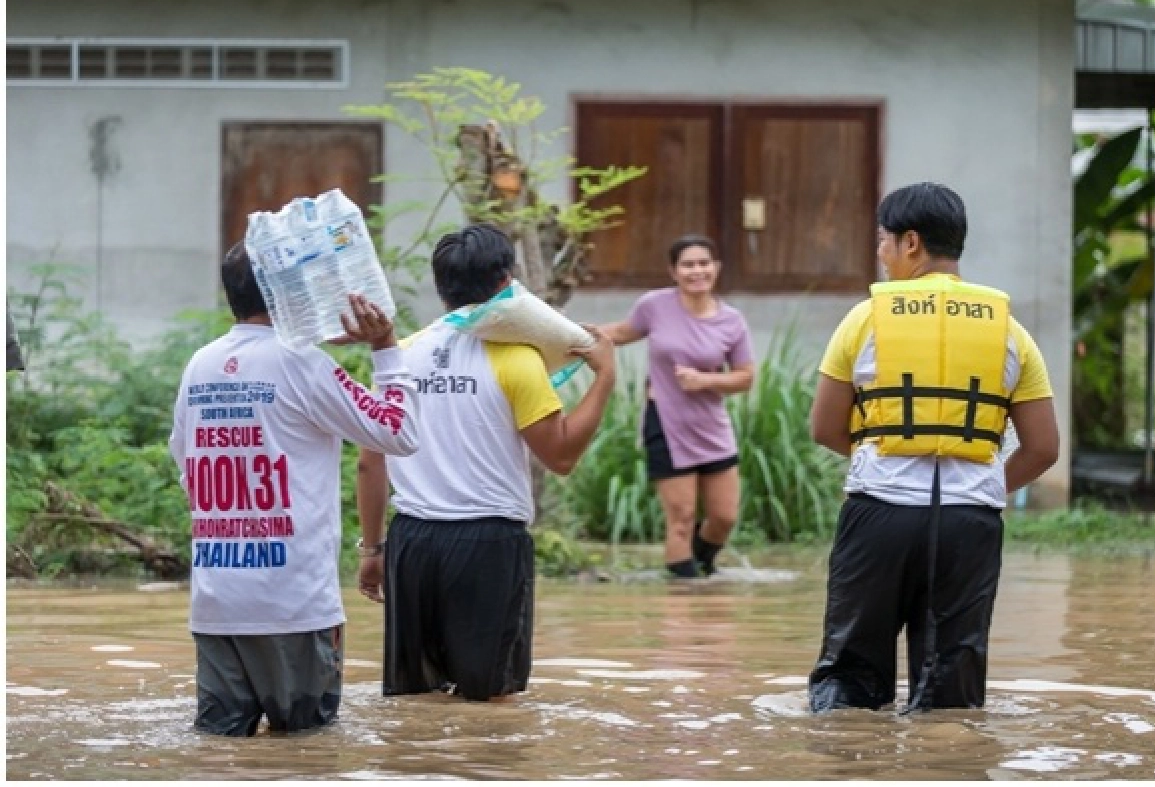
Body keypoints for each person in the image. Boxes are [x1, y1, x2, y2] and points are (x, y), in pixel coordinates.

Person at [806, 182, 1060, 713]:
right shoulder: (1010, 332)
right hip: (969, 524)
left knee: (849, 681)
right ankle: (948, 754)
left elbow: (825, 427)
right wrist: (986, 484)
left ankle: (846, 753)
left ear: (911, 242)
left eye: (883, 241)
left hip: (880, 516)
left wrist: (883, 457)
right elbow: (1042, 448)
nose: (881, 254)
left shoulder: (865, 319)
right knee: (951, 691)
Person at [356, 223, 616, 702]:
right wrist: (604, 379)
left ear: (440, 286)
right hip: (488, 544)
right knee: (491, 703)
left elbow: (370, 463)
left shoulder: (401, 356)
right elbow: (560, 456)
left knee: (416, 702)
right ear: (505, 282)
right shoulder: (517, 358)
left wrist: (372, 550)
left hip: (411, 542)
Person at [168, 242, 420, 736]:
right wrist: (385, 346)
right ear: (288, 293)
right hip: (293, 606)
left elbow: (187, 468)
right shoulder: (303, 362)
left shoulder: (200, 364)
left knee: (221, 752)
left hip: (217, 603)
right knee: (307, 751)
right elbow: (399, 432)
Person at [600, 234, 755, 579]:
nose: (696, 271)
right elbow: (622, 333)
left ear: (716, 268)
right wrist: (567, 335)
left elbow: (745, 378)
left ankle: (700, 572)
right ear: (673, 271)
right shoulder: (654, 306)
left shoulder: (732, 321)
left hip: (711, 425)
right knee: (681, 518)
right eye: (687, 265)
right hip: (666, 423)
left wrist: (705, 380)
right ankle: (683, 595)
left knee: (724, 517)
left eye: (703, 263)